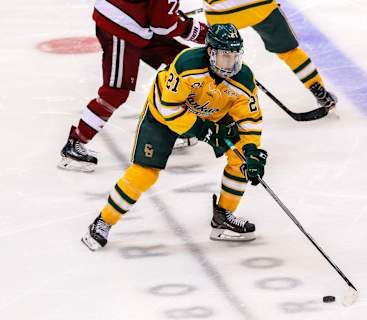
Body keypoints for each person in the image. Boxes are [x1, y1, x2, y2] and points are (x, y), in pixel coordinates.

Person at [81, 23, 268, 251]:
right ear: (210, 52)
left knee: (241, 158)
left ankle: (223, 218)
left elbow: (250, 121)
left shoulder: (244, 80)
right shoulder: (186, 64)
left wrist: (251, 151)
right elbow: (170, 110)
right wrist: (201, 130)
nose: (231, 64)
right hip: (163, 116)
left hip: (207, 115)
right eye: (224, 56)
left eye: (234, 56)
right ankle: (104, 221)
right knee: (145, 173)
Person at [58, 0, 208, 172]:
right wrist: (201, 31)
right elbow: (163, 26)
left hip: (137, 23)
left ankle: (179, 128)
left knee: (180, 63)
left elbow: (160, 18)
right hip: (121, 25)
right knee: (116, 92)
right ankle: (75, 143)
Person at [202, 0, 337, 115]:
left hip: (221, 12)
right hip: (261, 7)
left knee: (220, 56)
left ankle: (216, 102)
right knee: (289, 52)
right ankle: (318, 90)